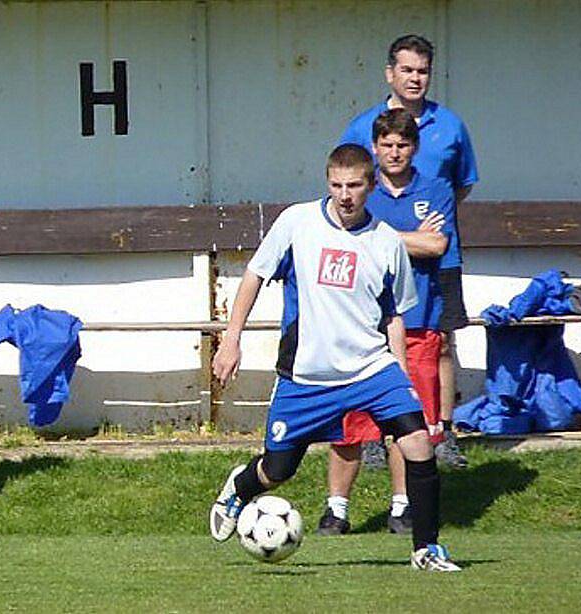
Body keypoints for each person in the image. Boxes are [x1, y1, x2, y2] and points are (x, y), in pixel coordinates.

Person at [209, 144, 460, 571]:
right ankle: (240, 486)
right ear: (328, 183)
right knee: (278, 468)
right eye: (336, 185)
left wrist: (399, 370)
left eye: (354, 186)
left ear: (372, 185)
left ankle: (427, 549)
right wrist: (231, 340)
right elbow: (254, 275)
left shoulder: (386, 242)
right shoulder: (297, 222)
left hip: (371, 368)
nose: (344, 195)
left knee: (418, 443)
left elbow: (393, 314)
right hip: (308, 375)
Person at [340, 34, 478, 467]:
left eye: (422, 71)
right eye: (407, 70)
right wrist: (399, 235)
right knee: (373, 342)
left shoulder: (450, 125)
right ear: (390, 74)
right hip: (376, 264)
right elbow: (347, 186)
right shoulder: (363, 126)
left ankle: (443, 432)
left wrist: (429, 225)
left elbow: (462, 184)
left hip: (439, 260)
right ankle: (373, 435)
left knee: (438, 344)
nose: (415, 78)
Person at [317, 109, 454, 537]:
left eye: (403, 145)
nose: (394, 152)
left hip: (418, 321)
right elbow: (342, 236)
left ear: (414, 148)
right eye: (387, 145)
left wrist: (380, 235)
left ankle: (402, 507)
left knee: (409, 422)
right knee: (349, 422)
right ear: (375, 149)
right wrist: (407, 235)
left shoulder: (436, 189)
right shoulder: (361, 189)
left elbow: (436, 244)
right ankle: (336, 509)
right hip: (361, 325)